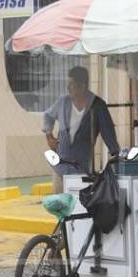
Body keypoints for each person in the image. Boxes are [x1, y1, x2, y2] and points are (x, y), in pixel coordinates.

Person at [43, 65, 120, 193]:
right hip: (60, 168)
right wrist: (49, 135)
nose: (68, 87)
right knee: (60, 207)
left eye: (71, 84)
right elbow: (48, 115)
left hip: (82, 169)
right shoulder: (63, 102)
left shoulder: (97, 105)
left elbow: (108, 131)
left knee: (78, 207)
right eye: (68, 84)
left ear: (82, 86)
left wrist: (116, 153)